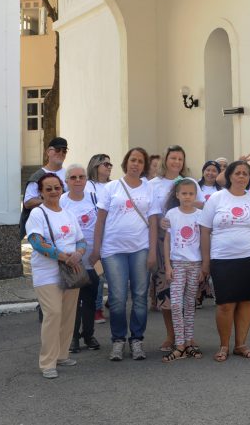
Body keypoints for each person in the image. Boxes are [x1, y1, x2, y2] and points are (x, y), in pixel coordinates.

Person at [198, 160, 250, 361]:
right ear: (230, 175)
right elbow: (205, 231)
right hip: (222, 259)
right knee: (225, 304)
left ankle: (241, 344)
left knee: (246, 303)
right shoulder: (216, 198)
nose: (241, 176)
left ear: (249, 178)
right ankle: (224, 345)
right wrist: (205, 262)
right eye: (238, 173)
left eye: (245, 174)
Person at [91, 147, 154, 362]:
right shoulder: (111, 188)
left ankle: (136, 340)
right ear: (126, 162)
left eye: (140, 161)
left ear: (144, 166)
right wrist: (96, 248)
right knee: (117, 298)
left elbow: (154, 222)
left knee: (140, 297)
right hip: (113, 250)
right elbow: (99, 220)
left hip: (140, 249)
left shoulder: (149, 188)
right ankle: (118, 340)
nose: (135, 164)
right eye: (132, 160)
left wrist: (153, 251)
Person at [25, 174, 85, 378]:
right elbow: (35, 241)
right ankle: (47, 362)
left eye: (56, 188)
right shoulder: (37, 214)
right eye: (48, 189)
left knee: (68, 315)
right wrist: (62, 256)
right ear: (41, 192)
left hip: (70, 271)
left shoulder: (68, 214)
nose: (53, 192)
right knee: (53, 314)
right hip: (46, 272)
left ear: (62, 189)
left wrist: (77, 254)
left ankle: (62, 354)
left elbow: (81, 241)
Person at [149, 145, 197, 353]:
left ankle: (188, 335)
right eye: (173, 158)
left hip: (188, 246)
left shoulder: (190, 183)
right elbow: (150, 211)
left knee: (188, 294)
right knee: (167, 292)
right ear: (165, 160)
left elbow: (200, 207)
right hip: (164, 243)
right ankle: (172, 335)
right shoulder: (153, 184)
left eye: (180, 159)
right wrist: (160, 224)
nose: (176, 162)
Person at [59, 163, 101, 354]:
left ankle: (89, 334)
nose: (77, 181)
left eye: (81, 177)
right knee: (72, 301)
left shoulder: (94, 198)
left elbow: (103, 225)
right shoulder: (61, 201)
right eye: (73, 177)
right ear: (66, 181)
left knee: (91, 300)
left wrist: (98, 252)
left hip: (92, 258)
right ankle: (73, 337)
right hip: (70, 261)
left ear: (86, 180)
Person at [162, 178, 204, 361]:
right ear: (177, 195)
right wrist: (168, 265)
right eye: (184, 193)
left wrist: (204, 266)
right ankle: (179, 344)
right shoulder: (171, 214)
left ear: (195, 195)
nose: (187, 197)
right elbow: (167, 241)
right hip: (177, 264)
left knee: (189, 304)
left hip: (195, 264)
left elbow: (204, 241)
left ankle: (188, 342)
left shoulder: (200, 215)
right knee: (176, 304)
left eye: (191, 193)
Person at [85, 153, 112, 323]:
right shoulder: (88, 186)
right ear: (95, 167)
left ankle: (112, 302)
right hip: (95, 236)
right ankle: (97, 310)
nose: (109, 167)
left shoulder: (114, 186)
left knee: (115, 275)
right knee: (99, 275)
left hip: (112, 236)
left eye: (110, 165)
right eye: (105, 164)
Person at [21, 137, 69, 226]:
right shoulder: (38, 176)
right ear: (48, 152)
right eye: (57, 150)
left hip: (65, 222)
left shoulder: (69, 175)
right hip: (44, 224)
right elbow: (28, 202)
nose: (61, 153)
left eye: (64, 151)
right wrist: (50, 200)